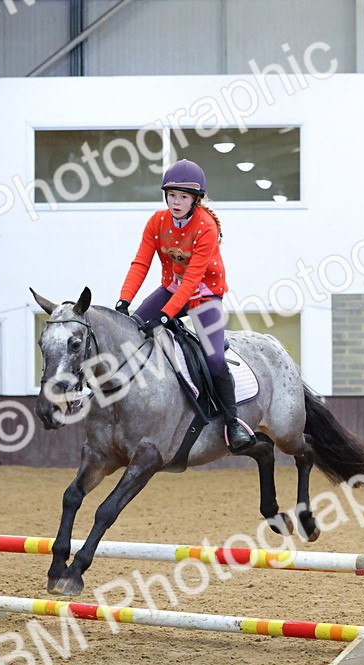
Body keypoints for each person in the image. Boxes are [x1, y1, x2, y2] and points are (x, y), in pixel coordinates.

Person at [115, 159, 256, 454]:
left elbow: (192, 279)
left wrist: (166, 316)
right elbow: (141, 263)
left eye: (183, 197)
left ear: (195, 200)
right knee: (133, 332)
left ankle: (233, 423)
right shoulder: (157, 221)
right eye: (172, 195)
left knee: (215, 359)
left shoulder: (205, 226)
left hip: (204, 295)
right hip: (171, 289)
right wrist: (124, 300)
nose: (176, 202)